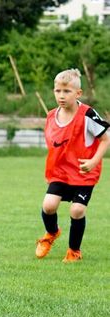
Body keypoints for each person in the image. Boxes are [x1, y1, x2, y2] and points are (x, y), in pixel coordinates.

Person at [35, 68, 109, 262]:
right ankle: (51, 234)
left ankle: (74, 250)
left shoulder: (88, 115)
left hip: (84, 173)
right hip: (60, 171)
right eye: (58, 91)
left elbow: (106, 139)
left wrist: (93, 161)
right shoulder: (51, 115)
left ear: (78, 93)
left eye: (66, 91)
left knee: (77, 210)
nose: (61, 95)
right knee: (48, 206)